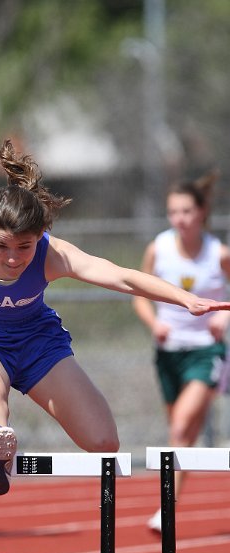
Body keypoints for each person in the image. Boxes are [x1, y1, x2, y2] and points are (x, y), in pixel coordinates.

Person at [0, 139, 230, 497]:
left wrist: (186, 299)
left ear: (40, 237)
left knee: (104, 441)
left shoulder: (54, 254)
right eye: (2, 246)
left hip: (34, 340)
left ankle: (1, 441)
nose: (13, 258)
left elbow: (121, 276)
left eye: (24, 247)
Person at [133, 171, 230, 532]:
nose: (180, 219)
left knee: (181, 425)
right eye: (174, 212)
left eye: (187, 211)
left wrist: (224, 319)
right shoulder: (158, 249)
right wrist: (154, 323)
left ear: (202, 212)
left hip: (207, 351)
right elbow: (140, 297)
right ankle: (171, 502)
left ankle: (165, 507)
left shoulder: (218, 254)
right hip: (168, 352)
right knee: (182, 435)